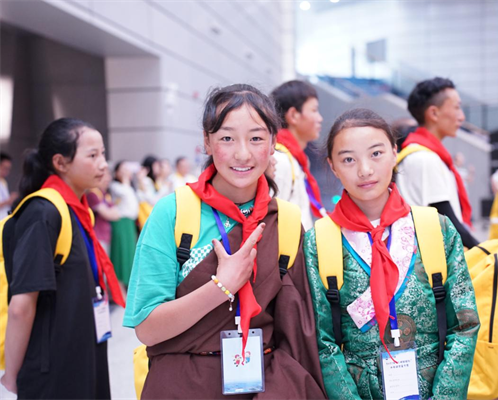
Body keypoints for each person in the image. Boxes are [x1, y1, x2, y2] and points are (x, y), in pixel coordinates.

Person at [123, 84, 326, 399]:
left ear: (274, 142)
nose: (242, 154)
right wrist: (221, 287)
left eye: (256, 138)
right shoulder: (174, 213)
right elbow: (147, 328)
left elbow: (297, 334)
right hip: (181, 386)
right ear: (207, 141)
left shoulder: (286, 220)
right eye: (227, 138)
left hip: (265, 386)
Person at [305, 108, 480, 399]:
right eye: (348, 159)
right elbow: (321, 342)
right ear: (332, 166)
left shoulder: (435, 228)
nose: (365, 170)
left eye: (376, 154)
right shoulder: (319, 241)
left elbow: (465, 324)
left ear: (395, 153)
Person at [0, 118, 124, 398]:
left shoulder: (77, 210)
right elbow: (22, 306)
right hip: (54, 369)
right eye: (92, 155)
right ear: (60, 162)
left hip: (84, 354)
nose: (103, 164)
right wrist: (12, 374)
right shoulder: (43, 212)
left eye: (103, 154)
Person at [396, 77, 479, 248]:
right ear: (433, 113)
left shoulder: (427, 154)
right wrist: (486, 251)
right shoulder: (424, 158)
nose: (462, 117)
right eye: (456, 107)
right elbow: (449, 224)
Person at [270, 80, 325, 229]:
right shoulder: (279, 160)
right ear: (293, 115)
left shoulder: (294, 158)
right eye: (314, 110)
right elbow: (271, 222)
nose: (320, 118)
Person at [109, 161, 139, 288]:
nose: (126, 172)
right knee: (121, 254)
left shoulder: (130, 187)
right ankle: (119, 287)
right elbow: (125, 193)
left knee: (130, 254)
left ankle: (127, 287)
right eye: (123, 170)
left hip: (130, 223)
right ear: (116, 173)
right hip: (121, 222)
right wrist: (126, 179)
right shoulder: (115, 186)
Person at [87, 170, 120, 253]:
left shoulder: (105, 194)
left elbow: (117, 214)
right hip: (97, 236)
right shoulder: (93, 194)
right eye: (105, 177)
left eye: (109, 176)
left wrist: (110, 212)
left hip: (106, 236)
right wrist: (109, 212)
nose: (108, 179)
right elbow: (107, 214)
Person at [0, 152, 18, 218]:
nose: (6, 172)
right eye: (4, 168)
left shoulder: (3, 182)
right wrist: (9, 201)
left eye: (8, 169)